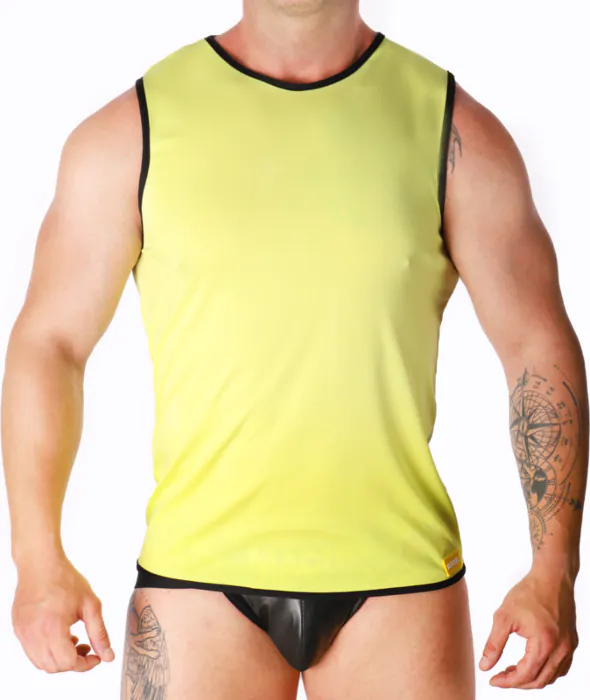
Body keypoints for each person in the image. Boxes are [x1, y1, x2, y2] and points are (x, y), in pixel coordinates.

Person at [2, 1, 587, 698]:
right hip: (196, 585)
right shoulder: (132, 130)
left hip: (401, 583)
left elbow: (536, 344)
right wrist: (37, 561)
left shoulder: (452, 130)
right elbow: (51, 342)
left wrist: (554, 572)